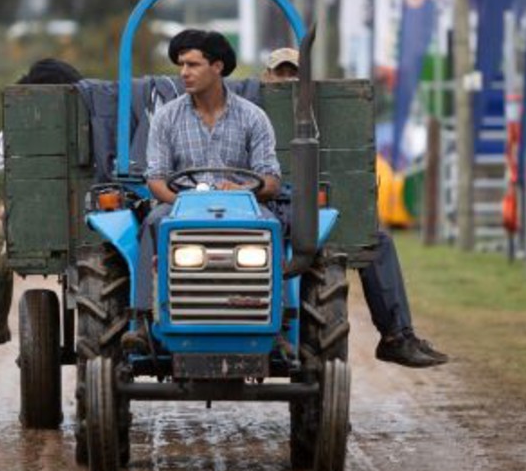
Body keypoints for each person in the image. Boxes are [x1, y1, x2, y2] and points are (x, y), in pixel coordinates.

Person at [263, 47, 447, 368]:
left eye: (295, 73)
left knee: (375, 241)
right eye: (281, 72)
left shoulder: (329, 114)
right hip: (263, 209)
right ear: (267, 76)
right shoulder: (256, 110)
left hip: (302, 209)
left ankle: (396, 336)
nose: (288, 79)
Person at [132, 29, 282, 321]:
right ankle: (142, 316)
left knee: (272, 226)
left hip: (242, 207)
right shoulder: (167, 117)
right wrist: (182, 203)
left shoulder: (253, 117)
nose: (184, 72)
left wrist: (244, 191)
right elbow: (156, 178)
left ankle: (283, 314)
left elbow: (271, 180)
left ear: (217, 67)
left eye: (193, 64)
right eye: (181, 65)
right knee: (152, 221)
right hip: (180, 204)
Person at [0, 58, 83, 349]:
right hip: (81, 215)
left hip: (56, 214)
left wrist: (19, 127)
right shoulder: (98, 110)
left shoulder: (31, 123)